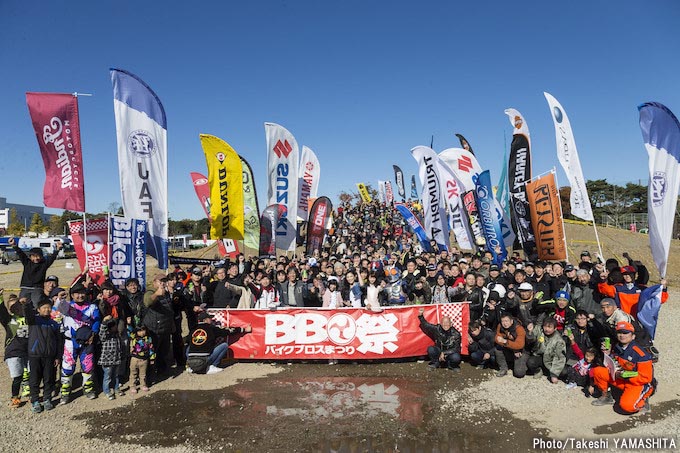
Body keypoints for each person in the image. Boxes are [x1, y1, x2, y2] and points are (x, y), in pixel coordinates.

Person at [591, 321, 656, 414]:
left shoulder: (641, 354)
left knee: (627, 407)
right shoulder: (617, 347)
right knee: (597, 371)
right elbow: (615, 363)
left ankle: (644, 398)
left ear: (633, 336)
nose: (622, 335)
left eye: (625, 333)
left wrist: (625, 376)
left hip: (637, 383)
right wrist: (608, 354)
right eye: (619, 332)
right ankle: (606, 396)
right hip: (622, 378)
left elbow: (646, 377)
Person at [58, 283, 100, 403]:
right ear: (72, 295)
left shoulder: (92, 307)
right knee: (67, 367)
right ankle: (65, 392)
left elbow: (97, 321)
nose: (80, 296)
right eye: (77, 293)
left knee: (88, 366)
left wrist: (93, 333)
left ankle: (88, 389)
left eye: (82, 293)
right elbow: (58, 307)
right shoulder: (67, 307)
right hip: (70, 342)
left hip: (87, 341)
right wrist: (61, 298)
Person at [24, 295, 62, 412]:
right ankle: (35, 400)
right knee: (34, 379)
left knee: (48, 378)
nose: (47, 310)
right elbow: (28, 315)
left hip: (50, 356)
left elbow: (59, 342)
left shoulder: (54, 323)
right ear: (39, 309)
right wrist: (27, 304)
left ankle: (47, 399)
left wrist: (57, 356)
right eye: (44, 308)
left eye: (49, 308)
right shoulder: (34, 320)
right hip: (35, 355)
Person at [186, 312, 252, 374]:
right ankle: (212, 366)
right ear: (205, 320)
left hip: (191, 360)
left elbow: (187, 342)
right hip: (205, 360)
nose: (211, 320)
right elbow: (227, 331)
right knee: (224, 345)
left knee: (190, 346)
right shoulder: (211, 328)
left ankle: (191, 367)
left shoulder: (193, 329)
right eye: (210, 319)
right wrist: (244, 329)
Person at [9, 237, 62, 307]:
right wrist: (14, 245)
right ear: (30, 257)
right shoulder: (27, 262)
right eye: (33, 256)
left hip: (37, 288)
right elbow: (21, 254)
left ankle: (37, 317)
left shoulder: (44, 264)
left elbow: (52, 258)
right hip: (25, 287)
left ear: (42, 256)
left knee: (37, 304)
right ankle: (25, 317)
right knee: (23, 304)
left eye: (38, 256)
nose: (36, 258)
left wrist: (57, 249)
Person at [0, 290, 29, 408]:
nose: (16, 307)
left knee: (32, 373)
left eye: (17, 304)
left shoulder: (28, 317)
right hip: (14, 352)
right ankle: (15, 397)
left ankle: (33, 395)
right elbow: (1, 312)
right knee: (17, 377)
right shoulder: (9, 320)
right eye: (12, 306)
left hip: (29, 351)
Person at [143, 274, 176, 376]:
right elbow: (148, 302)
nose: (162, 283)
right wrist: (156, 294)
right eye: (160, 281)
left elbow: (170, 311)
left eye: (164, 281)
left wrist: (172, 325)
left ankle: (162, 372)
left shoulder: (167, 294)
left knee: (163, 352)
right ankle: (148, 375)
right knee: (152, 353)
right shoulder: (150, 292)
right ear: (154, 283)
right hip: (154, 329)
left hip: (165, 328)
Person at [418, 307, 462, 371]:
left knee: (456, 357)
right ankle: (435, 363)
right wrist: (421, 316)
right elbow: (426, 325)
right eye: (443, 323)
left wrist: (444, 353)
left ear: (451, 324)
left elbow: (456, 349)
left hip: (449, 353)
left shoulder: (456, 334)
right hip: (439, 351)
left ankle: (451, 365)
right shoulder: (437, 329)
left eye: (447, 323)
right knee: (431, 349)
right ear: (441, 324)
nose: (445, 324)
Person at [526, 317, 567, 383]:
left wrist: (554, 374)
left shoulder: (559, 340)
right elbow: (531, 340)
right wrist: (530, 332)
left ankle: (550, 372)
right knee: (531, 362)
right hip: (540, 357)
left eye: (550, 327)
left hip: (551, 360)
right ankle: (539, 370)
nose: (547, 329)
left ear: (555, 328)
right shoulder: (539, 330)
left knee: (564, 372)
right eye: (545, 326)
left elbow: (559, 357)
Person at [494, 313, 528, 378]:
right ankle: (503, 368)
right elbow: (497, 339)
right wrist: (512, 347)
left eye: (506, 321)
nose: (504, 323)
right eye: (502, 321)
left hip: (522, 351)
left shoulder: (519, 328)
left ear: (511, 321)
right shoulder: (500, 326)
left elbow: (520, 345)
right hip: (511, 349)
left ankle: (525, 365)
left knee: (519, 373)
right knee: (498, 349)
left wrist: (505, 342)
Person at [98, 315, 124, 400]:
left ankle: (116, 388)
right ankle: (107, 391)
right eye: (114, 326)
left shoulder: (117, 336)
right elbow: (102, 331)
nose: (116, 327)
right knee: (107, 377)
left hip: (116, 360)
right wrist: (104, 322)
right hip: (107, 361)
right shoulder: (105, 337)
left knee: (116, 376)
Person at [128, 324, 155, 393]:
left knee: (143, 374)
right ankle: (132, 386)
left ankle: (143, 385)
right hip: (134, 358)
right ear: (136, 332)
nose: (142, 332)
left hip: (144, 359)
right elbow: (129, 331)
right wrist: (129, 324)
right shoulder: (134, 337)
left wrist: (152, 358)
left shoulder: (148, 338)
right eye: (139, 331)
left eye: (143, 330)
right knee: (133, 373)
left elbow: (151, 349)